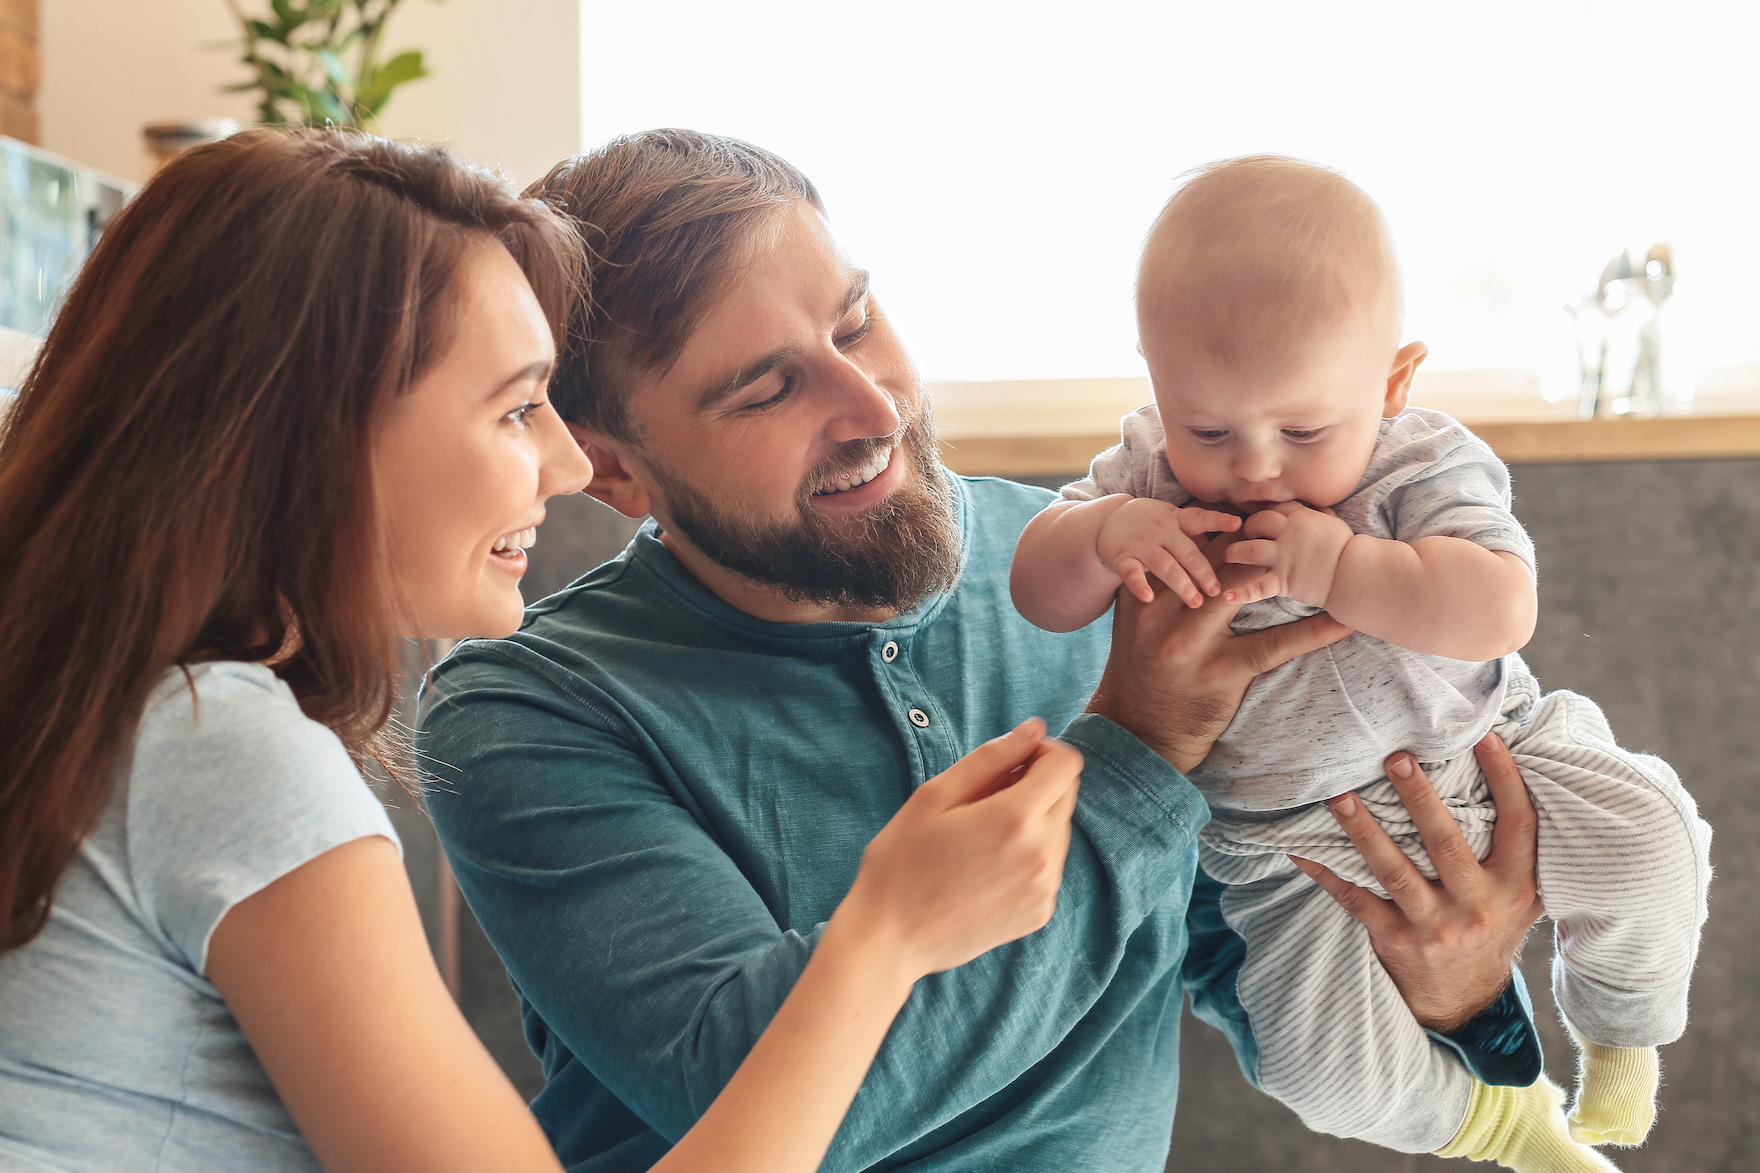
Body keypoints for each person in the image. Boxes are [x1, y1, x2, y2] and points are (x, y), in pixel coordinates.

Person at [418, 129, 1551, 1173]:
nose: (873, 405)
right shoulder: (526, 712)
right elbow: (759, 1110)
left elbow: (1252, 948)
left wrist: (1460, 996)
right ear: (612, 471)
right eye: (768, 388)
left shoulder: (1098, 567)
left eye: (854, 321)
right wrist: (1136, 746)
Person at [0, 127, 1086, 1173]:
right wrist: (883, 936)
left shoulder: (120, 718)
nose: (570, 469)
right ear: (322, 440)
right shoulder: (219, 748)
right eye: (520, 408)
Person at [1011, 156, 1713, 1172]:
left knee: (1652, 840)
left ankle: (1618, 1033)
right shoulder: (1146, 475)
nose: (1252, 462)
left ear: (1389, 382)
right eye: (1206, 425)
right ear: (1156, 386)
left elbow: (1498, 606)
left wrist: (1344, 563)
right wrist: (1099, 535)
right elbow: (1035, 589)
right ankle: (1498, 1127)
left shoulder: (1416, 463)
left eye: (1302, 428)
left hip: (1484, 755)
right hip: (1285, 844)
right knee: (1316, 1070)